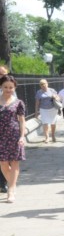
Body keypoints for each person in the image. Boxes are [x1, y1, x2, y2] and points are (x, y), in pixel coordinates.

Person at [0, 75, 26, 203]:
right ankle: (13, 184)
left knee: (14, 162)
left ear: (14, 88)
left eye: (11, 87)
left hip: (14, 135)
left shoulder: (18, 102)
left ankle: (10, 190)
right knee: (3, 162)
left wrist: (22, 136)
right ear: (1, 86)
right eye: (5, 87)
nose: (8, 89)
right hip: (1, 136)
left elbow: (21, 120)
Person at [35, 79, 60, 143]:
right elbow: (37, 102)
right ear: (40, 85)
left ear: (47, 84)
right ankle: (47, 137)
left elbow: (58, 98)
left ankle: (53, 136)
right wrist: (36, 112)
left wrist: (55, 97)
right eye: (41, 84)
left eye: (44, 83)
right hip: (43, 109)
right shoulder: (39, 92)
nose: (43, 85)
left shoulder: (52, 90)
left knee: (53, 123)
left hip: (53, 109)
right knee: (45, 123)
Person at [0, 65, 8, 194]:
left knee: (5, 158)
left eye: (5, 74)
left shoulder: (9, 88)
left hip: (7, 128)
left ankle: (4, 182)